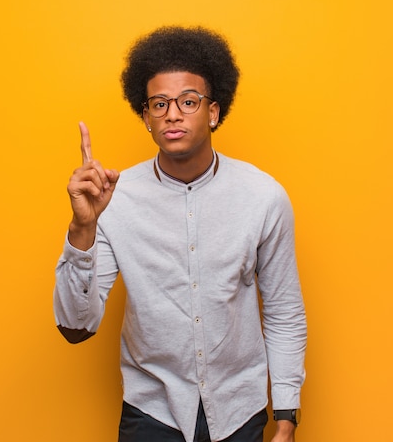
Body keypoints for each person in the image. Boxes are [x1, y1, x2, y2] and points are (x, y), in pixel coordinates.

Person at [53, 25, 306, 442]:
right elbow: (75, 328)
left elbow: (284, 312)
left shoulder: (263, 197)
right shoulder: (113, 199)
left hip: (240, 413)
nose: (173, 113)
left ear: (213, 112)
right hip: (151, 414)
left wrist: (286, 416)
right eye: (159, 103)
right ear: (146, 117)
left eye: (188, 101)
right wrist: (83, 227)